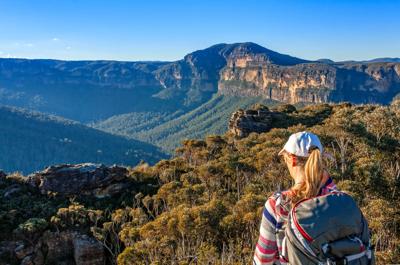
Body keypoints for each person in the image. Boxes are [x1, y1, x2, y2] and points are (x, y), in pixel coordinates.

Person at [253, 131, 338, 265]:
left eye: (285, 158)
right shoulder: (338, 198)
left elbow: (263, 259)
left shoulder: (278, 205)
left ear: (292, 159)